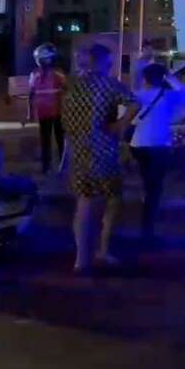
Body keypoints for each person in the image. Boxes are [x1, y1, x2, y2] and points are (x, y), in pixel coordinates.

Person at [61, 44, 140, 273]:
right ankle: (95, 255)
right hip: (102, 151)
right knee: (102, 203)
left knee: (83, 202)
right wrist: (120, 125)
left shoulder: (72, 86)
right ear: (103, 62)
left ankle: (82, 255)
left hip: (77, 150)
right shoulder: (107, 84)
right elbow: (135, 102)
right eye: (110, 61)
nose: (112, 65)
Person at [129, 63, 185, 243]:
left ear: (145, 78)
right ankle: (147, 226)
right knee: (155, 187)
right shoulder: (169, 96)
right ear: (162, 78)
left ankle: (146, 215)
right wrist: (170, 78)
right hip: (159, 146)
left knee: (148, 183)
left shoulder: (138, 95)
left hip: (139, 145)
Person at [28, 43, 67, 174]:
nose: (43, 61)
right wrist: (30, 112)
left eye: (45, 58)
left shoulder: (58, 73)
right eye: (41, 59)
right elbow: (31, 94)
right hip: (43, 112)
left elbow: (67, 91)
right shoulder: (35, 74)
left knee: (60, 140)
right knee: (45, 140)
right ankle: (46, 167)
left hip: (58, 112)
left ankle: (63, 165)